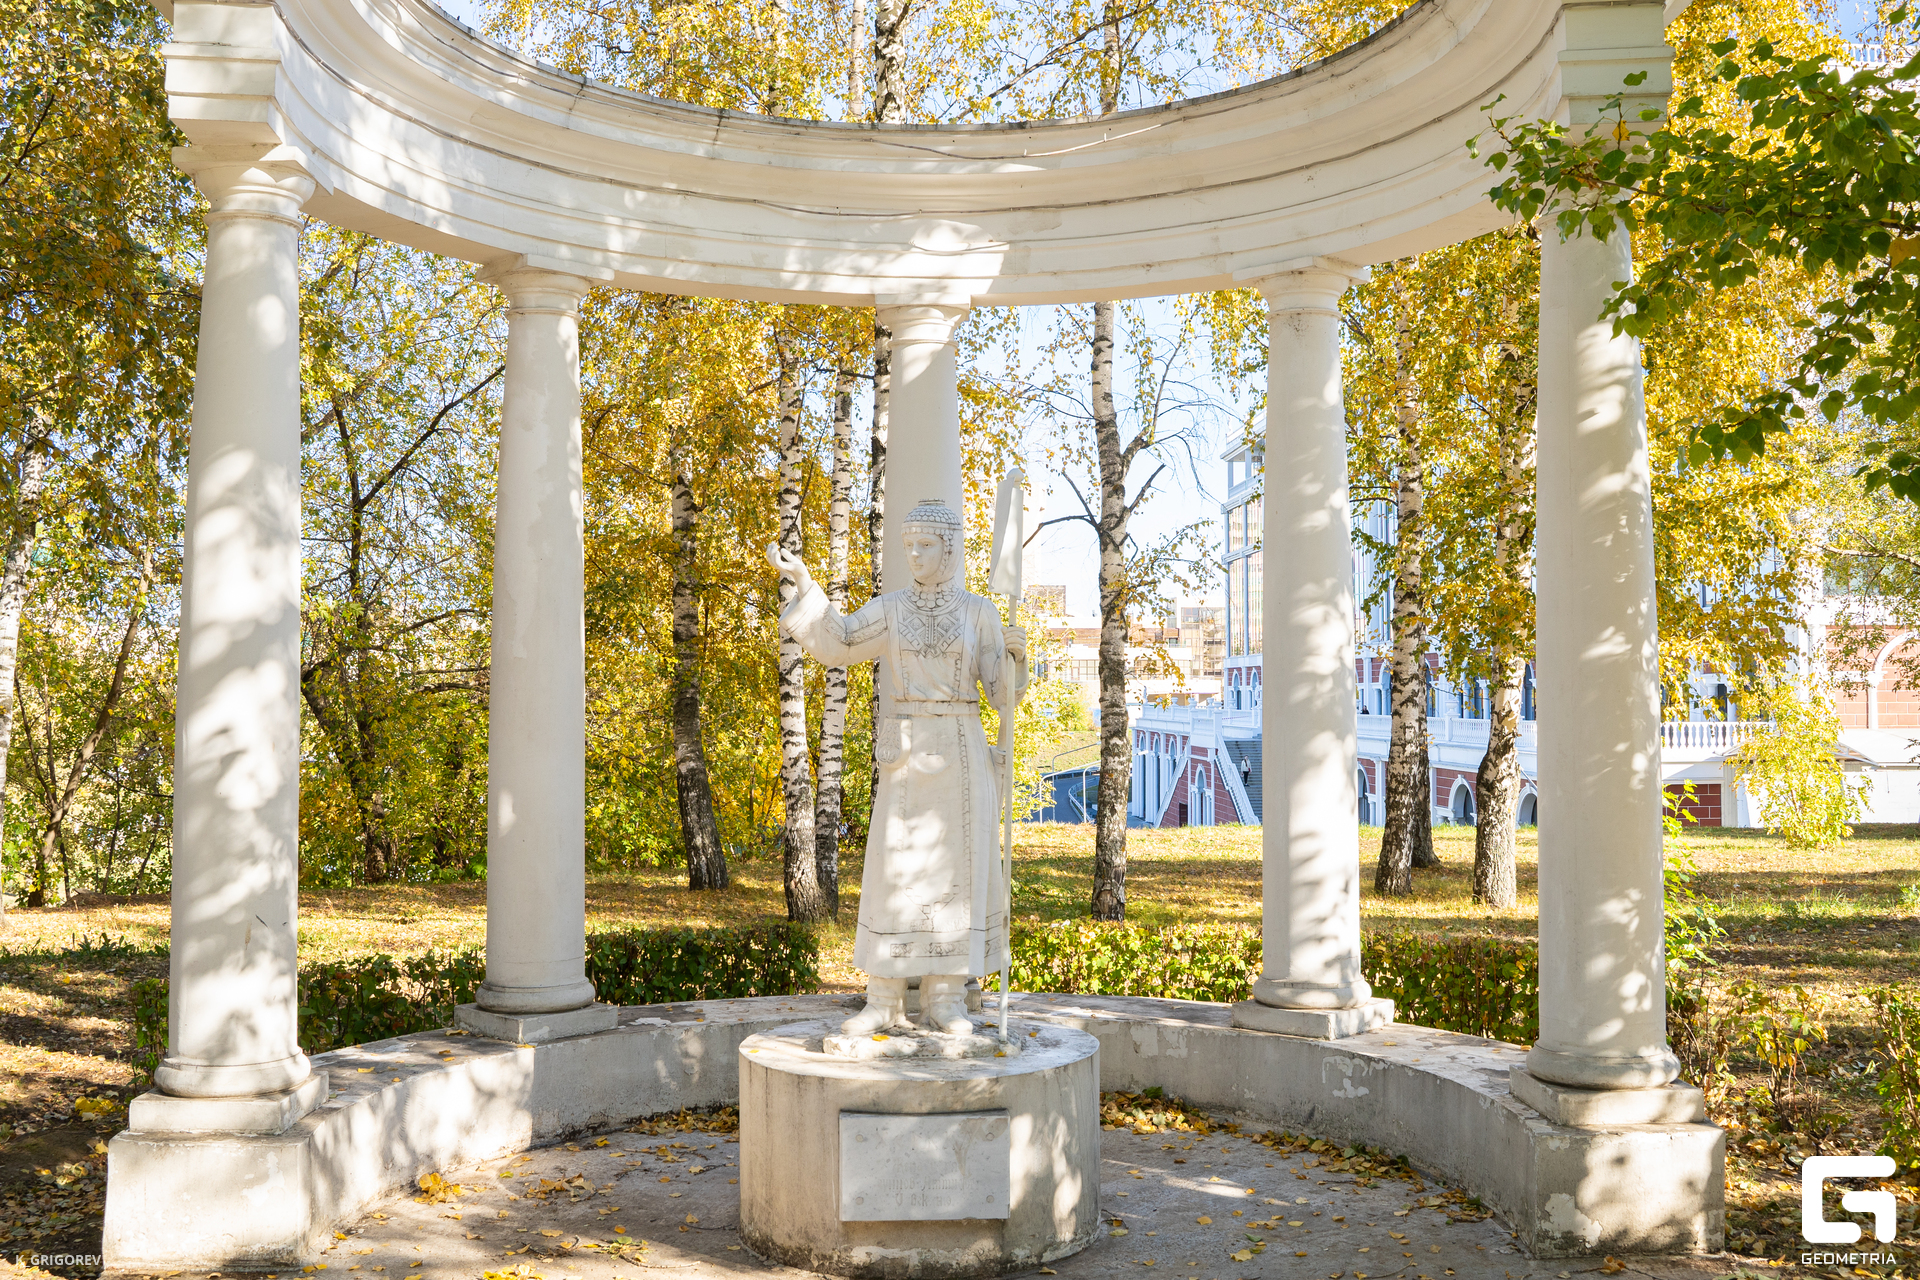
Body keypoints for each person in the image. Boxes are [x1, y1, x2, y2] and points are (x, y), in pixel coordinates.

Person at [767, 498, 1026, 1036]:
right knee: (894, 871)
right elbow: (839, 641)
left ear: (949, 549)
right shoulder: (891, 609)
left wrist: (1016, 659)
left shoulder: (980, 612)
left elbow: (1002, 697)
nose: (915, 554)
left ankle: (946, 999)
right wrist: (805, 583)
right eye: (909, 545)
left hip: (961, 752)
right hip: (906, 755)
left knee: (956, 876)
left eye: (925, 545)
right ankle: (884, 999)